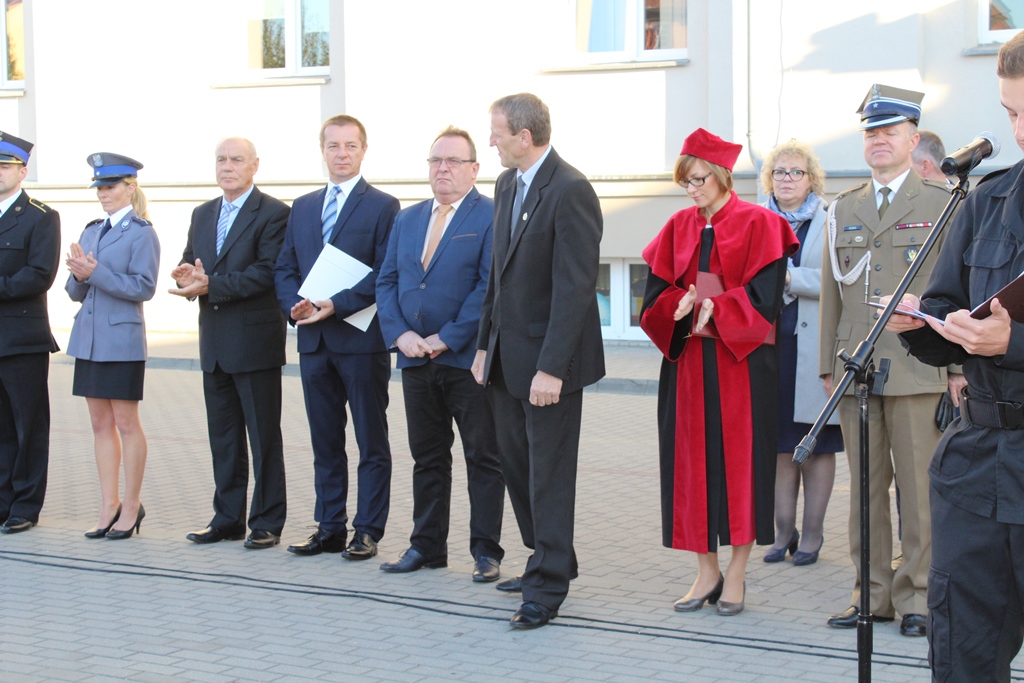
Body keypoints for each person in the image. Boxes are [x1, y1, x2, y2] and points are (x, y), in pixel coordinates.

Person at [885, 31, 1024, 681]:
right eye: (1012, 112)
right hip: (978, 465)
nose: (1019, 130)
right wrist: (920, 321)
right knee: (963, 654)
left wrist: (1013, 342)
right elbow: (948, 302)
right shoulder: (989, 200)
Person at [819, 85, 960, 637]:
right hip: (857, 366)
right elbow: (832, 291)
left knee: (919, 493)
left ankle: (918, 596)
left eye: (890, 132)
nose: (879, 141)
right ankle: (871, 594)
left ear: (913, 138)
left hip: (918, 366)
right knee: (865, 491)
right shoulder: (844, 207)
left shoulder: (941, 202)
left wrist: (957, 369)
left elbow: (956, 289)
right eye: (872, 133)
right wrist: (828, 364)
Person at [640, 128, 797, 617]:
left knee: (742, 468)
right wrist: (680, 305)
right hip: (688, 366)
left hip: (741, 368)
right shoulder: (677, 227)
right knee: (689, 468)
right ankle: (705, 571)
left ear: (724, 176)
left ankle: (738, 573)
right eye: (685, 181)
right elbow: (653, 298)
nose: (692, 190)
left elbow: (766, 303)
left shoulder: (761, 224)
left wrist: (719, 307)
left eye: (699, 179)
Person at [472, 93, 605, 630]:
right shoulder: (508, 184)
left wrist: (552, 368)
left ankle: (547, 587)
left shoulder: (570, 189)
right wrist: (484, 345)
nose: (491, 142)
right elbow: (498, 275)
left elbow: (575, 288)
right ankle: (547, 557)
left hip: (549, 364)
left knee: (548, 474)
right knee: (516, 465)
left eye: (497, 133)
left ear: (524, 137)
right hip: (507, 357)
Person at [376, 126, 504, 582]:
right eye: (435, 160)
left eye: (453, 161)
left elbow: (488, 288)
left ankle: (486, 551)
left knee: (482, 458)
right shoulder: (408, 219)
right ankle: (426, 547)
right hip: (415, 359)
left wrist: (446, 338)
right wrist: (400, 334)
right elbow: (387, 281)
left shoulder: (491, 215)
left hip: (465, 361)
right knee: (427, 458)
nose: (442, 169)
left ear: (474, 169)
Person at [274, 115, 399, 560]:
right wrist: (295, 305)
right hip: (313, 342)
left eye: (350, 146)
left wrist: (337, 303)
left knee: (370, 441)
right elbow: (285, 266)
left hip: (360, 341)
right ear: (322, 150)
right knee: (325, 441)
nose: (341, 153)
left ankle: (367, 530)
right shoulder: (303, 206)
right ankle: (329, 527)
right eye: (333, 146)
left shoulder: (383, 206)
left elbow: (386, 272)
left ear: (363, 150)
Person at [173, 138, 290, 550]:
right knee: (223, 440)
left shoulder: (274, 213)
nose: (227, 166)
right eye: (221, 159)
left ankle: (267, 521)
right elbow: (192, 259)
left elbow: (267, 272)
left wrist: (211, 284)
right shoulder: (202, 213)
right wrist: (186, 275)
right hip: (215, 344)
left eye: (236, 159)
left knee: (263, 439)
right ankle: (227, 519)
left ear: (254, 165)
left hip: (255, 343)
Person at [65, 153, 160, 540]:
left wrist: (96, 272)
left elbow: (143, 287)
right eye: (99, 188)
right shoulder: (92, 230)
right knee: (99, 424)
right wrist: (77, 275)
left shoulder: (141, 233)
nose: (103, 193)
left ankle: (131, 505)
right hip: (89, 340)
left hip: (121, 341)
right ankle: (109, 505)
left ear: (130, 188)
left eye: (110, 187)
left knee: (125, 423)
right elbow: (76, 291)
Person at [758, 140, 843, 567]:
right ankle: (782, 532)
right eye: (779, 172)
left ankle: (812, 534)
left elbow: (839, 278)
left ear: (812, 179)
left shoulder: (831, 220)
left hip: (814, 348)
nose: (787, 179)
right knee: (778, 444)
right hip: (768, 348)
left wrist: (788, 279)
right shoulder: (755, 219)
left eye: (796, 172)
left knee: (816, 443)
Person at [0, 131, 60, 535]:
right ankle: (3, 502)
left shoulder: (40, 216)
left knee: (28, 427)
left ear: (22, 172)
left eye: (5, 165)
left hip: (22, 339)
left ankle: (25, 505)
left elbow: (39, 274)